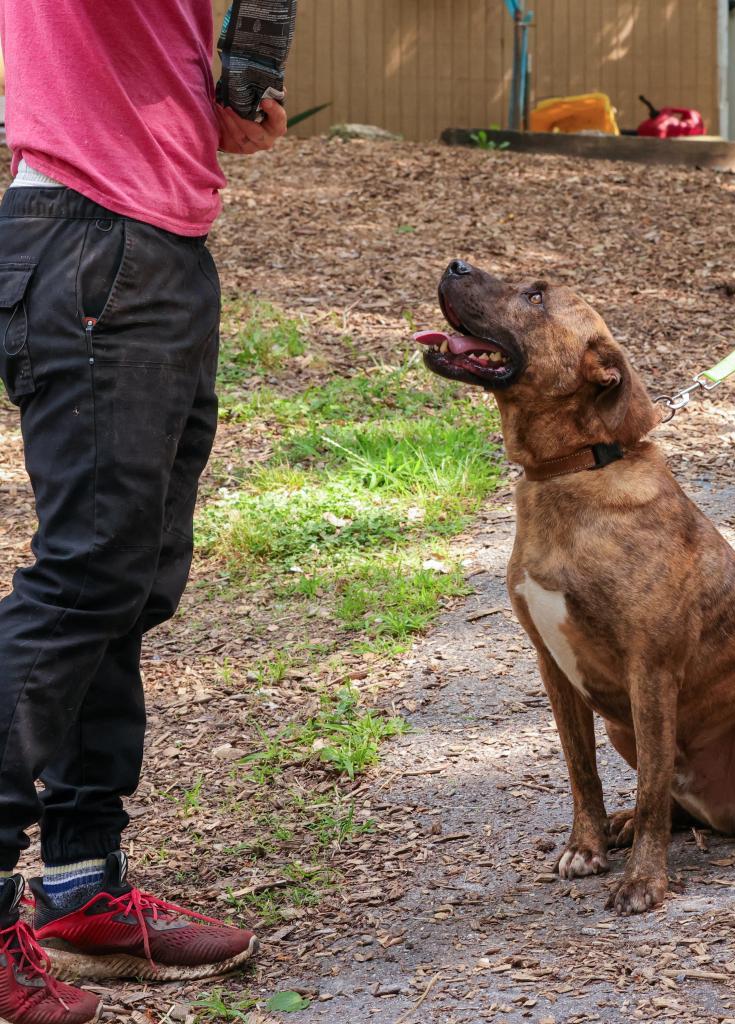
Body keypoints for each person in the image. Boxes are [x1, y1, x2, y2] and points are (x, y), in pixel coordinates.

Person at [0, 3, 287, 1020]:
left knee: (127, 581)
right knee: (84, 576)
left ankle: (81, 885)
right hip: (91, 237)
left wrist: (224, 87)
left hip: (158, 241)